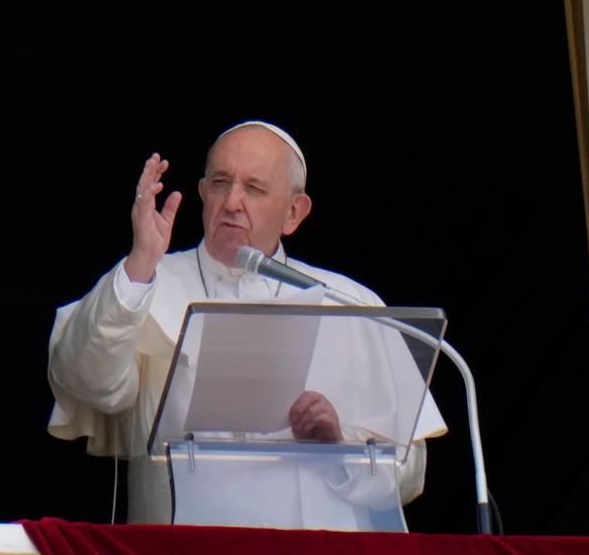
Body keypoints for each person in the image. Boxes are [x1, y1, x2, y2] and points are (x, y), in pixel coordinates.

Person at [46, 121, 444, 525]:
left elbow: (410, 474)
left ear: (294, 212)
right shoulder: (146, 281)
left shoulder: (349, 303)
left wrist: (339, 445)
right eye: (221, 183)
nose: (232, 202)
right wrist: (140, 262)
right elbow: (86, 383)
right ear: (203, 193)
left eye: (254, 188)